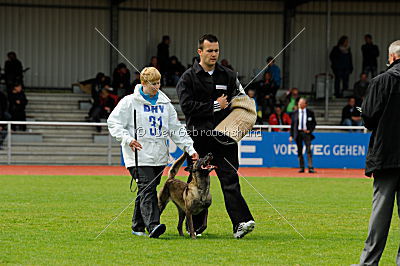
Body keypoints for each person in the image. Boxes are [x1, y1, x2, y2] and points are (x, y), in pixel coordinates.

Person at [176, 34, 255, 238]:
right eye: (209, 50)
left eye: (216, 50)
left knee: (230, 178)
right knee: (197, 182)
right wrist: (214, 106)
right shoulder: (187, 77)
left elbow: (240, 99)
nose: (213, 54)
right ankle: (197, 227)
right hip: (198, 136)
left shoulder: (228, 75)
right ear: (200, 52)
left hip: (224, 137)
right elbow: (186, 107)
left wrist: (243, 115)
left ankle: (241, 223)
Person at [108, 67, 198, 239]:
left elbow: (175, 129)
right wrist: (127, 139)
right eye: (153, 84)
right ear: (143, 83)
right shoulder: (129, 102)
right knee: (147, 188)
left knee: (146, 189)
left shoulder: (165, 104)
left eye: (158, 83)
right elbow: (113, 123)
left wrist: (190, 148)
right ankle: (154, 225)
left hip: (158, 157)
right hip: (138, 155)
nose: (157, 87)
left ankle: (138, 225)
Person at [355, 40, 400, 266]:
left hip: (387, 155)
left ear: (391, 57)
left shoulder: (381, 81)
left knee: (381, 212)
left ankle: (369, 262)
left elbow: (369, 118)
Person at [289, 98, 316, 173]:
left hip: (306, 134)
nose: (299, 104)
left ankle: (310, 167)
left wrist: (309, 130)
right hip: (298, 133)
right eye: (299, 103)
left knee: (308, 150)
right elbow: (292, 126)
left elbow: (314, 123)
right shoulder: (294, 113)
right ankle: (302, 167)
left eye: (301, 103)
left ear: (305, 104)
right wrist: (291, 135)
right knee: (299, 151)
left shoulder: (310, 113)